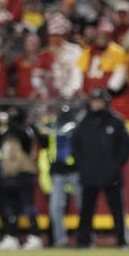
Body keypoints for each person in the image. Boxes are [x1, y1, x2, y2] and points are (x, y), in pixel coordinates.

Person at [72, 88, 129, 249]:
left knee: (117, 209)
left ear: (105, 102)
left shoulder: (116, 121)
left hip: (111, 174)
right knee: (86, 210)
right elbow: (75, 146)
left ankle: (122, 240)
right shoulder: (83, 122)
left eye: (99, 101)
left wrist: (115, 165)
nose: (96, 104)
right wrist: (83, 166)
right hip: (89, 173)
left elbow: (126, 146)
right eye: (94, 100)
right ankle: (84, 240)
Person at [0, 106, 42, 251]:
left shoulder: (26, 129)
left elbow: (25, 138)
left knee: (28, 206)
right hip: (8, 173)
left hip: (25, 172)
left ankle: (35, 236)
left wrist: (9, 122)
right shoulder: (5, 131)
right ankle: (10, 236)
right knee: (9, 208)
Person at [38, 103, 81, 247]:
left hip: (74, 170)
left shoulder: (76, 125)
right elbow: (44, 141)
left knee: (83, 205)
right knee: (55, 208)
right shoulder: (52, 124)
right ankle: (60, 240)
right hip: (58, 171)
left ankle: (85, 237)